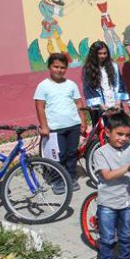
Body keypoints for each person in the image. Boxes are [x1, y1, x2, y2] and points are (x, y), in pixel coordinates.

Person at [92, 111, 130, 259]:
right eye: (119, 134)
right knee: (107, 238)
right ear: (107, 132)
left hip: (127, 200)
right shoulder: (101, 153)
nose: (123, 138)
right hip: (108, 203)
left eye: (127, 135)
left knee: (125, 234)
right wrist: (129, 167)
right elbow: (107, 176)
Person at [34, 53, 87, 191]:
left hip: (73, 125)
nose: (59, 70)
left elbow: (78, 103)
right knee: (58, 155)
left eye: (63, 67)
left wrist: (83, 121)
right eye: (56, 66)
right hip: (54, 128)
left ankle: (70, 178)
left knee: (71, 153)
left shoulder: (71, 84)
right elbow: (40, 107)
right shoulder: (43, 86)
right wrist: (44, 126)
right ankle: (57, 180)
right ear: (49, 67)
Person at [82, 40, 129, 125]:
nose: (102, 56)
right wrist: (102, 106)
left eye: (105, 53)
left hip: (115, 105)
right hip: (100, 108)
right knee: (102, 133)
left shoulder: (113, 66)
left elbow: (120, 84)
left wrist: (118, 103)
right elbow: (89, 89)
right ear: (94, 54)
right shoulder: (88, 70)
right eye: (99, 53)